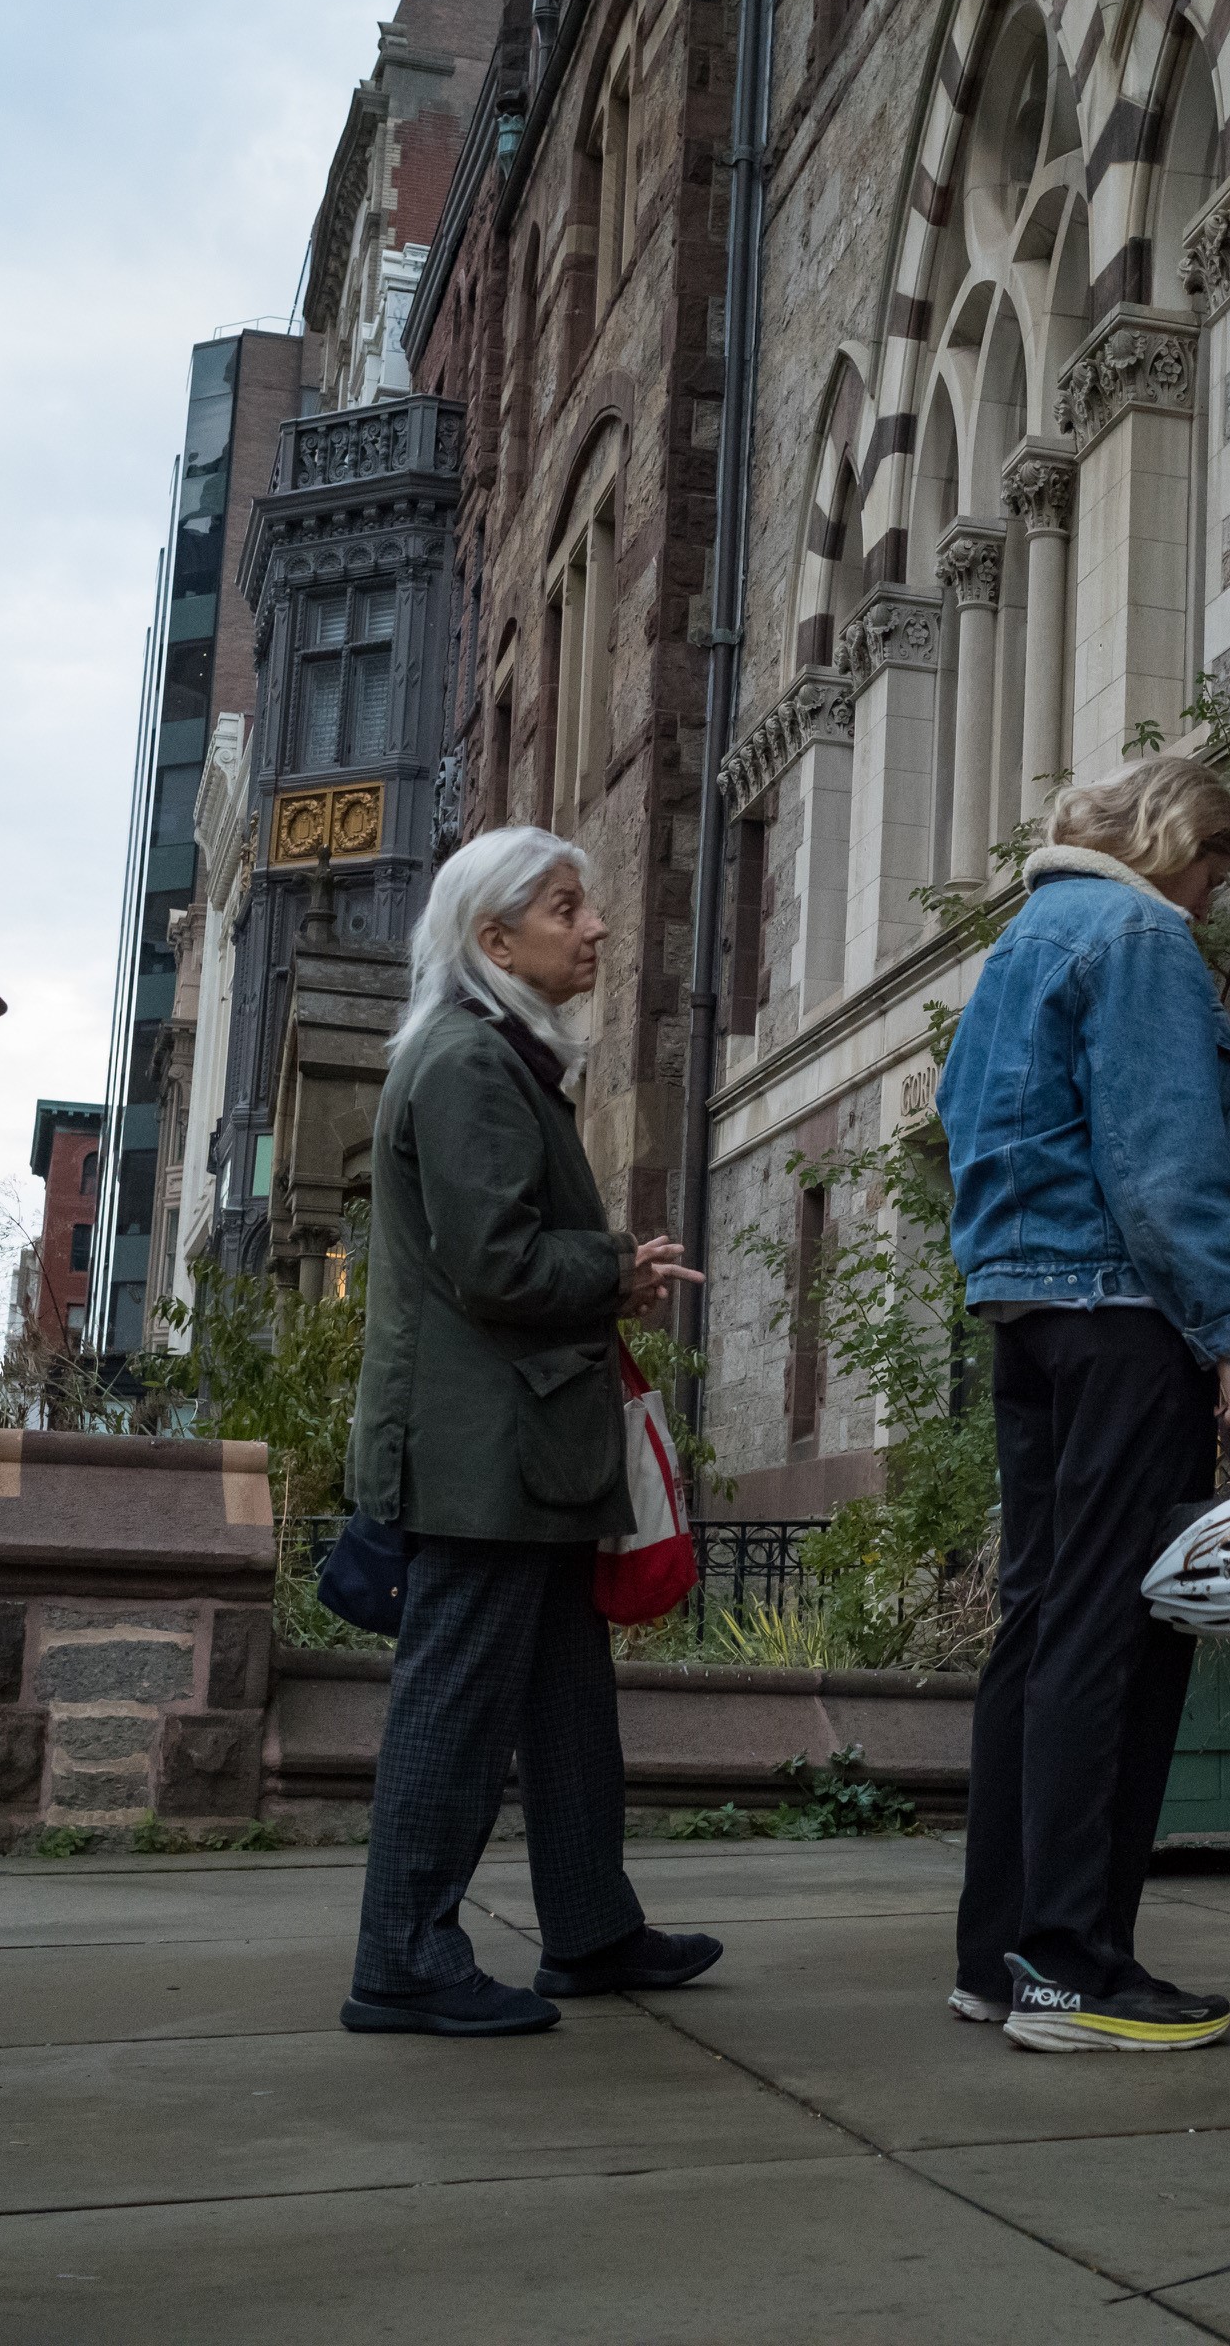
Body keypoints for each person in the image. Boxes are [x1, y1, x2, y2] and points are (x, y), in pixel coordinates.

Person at [343, 825, 717, 2038]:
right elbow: (495, 1261)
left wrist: (606, 1273)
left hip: (521, 1444)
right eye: (566, 908)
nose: (596, 926)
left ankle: (590, 1925)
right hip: (481, 1450)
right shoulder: (464, 1062)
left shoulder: (490, 1055)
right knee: (451, 1702)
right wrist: (616, 1265)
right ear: (492, 939)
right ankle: (402, 1960)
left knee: (563, 1696)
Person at [939, 754, 1230, 2054]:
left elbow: (989, 1125)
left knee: (1040, 1623)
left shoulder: (1032, 937)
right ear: (1176, 844)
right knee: (1114, 1632)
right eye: (1213, 868)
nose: (1209, 898)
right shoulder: (1143, 935)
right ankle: (1076, 1969)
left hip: (1026, 1315)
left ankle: (1002, 1954)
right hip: (1126, 1320)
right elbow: (1163, 1167)